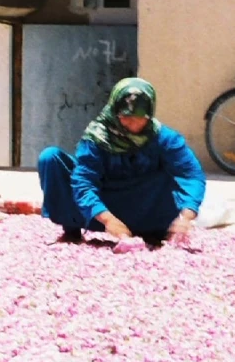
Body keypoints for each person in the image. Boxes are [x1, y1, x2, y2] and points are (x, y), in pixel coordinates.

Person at [37, 77, 206, 245]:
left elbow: (191, 175)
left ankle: (154, 233)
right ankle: (71, 230)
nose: (133, 125)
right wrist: (108, 220)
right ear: (114, 112)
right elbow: (84, 183)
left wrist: (186, 215)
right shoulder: (97, 139)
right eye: (126, 117)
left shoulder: (165, 138)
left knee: (170, 174)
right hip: (104, 205)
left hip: (148, 208)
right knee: (50, 158)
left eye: (140, 118)